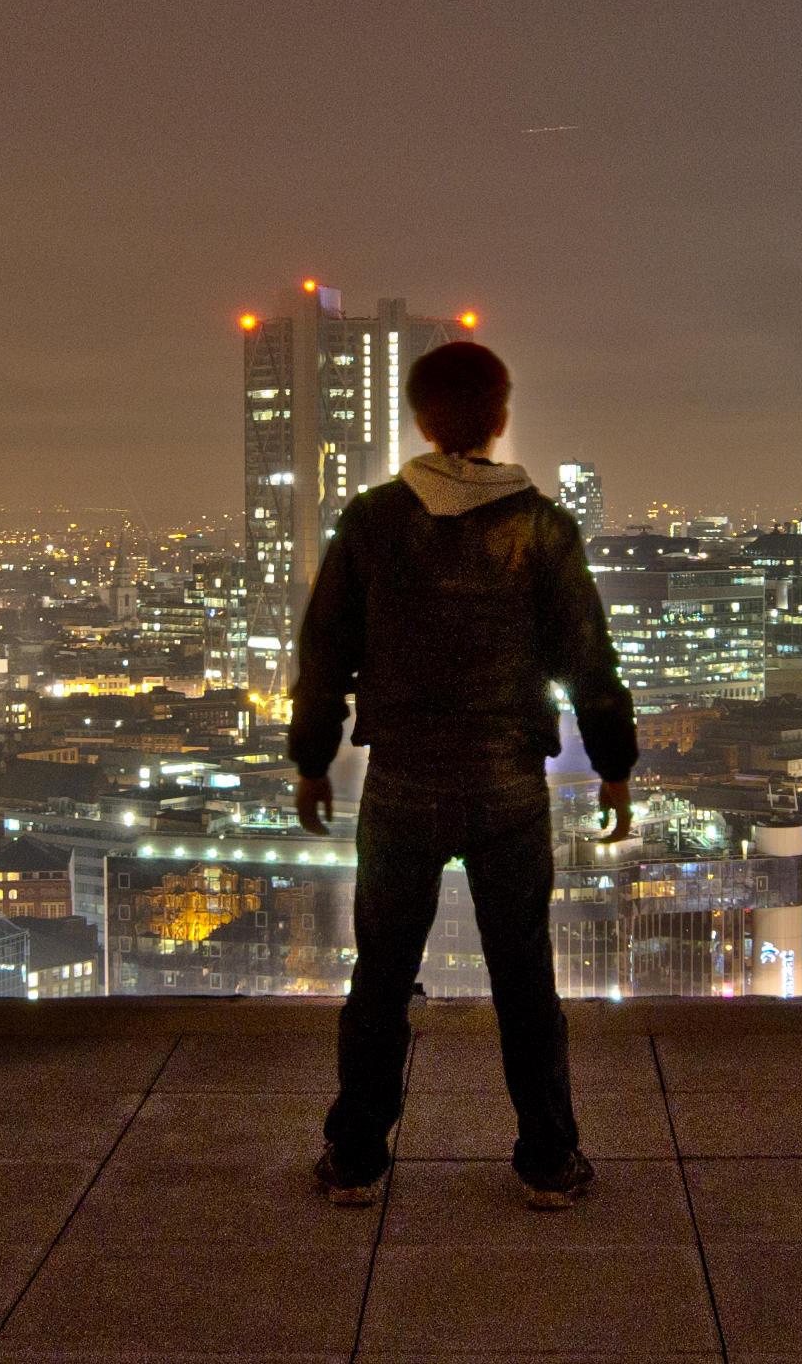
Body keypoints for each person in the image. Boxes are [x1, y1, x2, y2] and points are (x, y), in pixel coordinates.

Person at [289, 337, 635, 1210]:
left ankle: (357, 1157)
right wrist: (614, 767)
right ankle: (549, 1162)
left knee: (379, 977)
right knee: (524, 978)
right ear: (500, 416)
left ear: (420, 418)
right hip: (507, 784)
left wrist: (311, 759)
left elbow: (325, 652)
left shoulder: (373, 521)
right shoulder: (543, 528)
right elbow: (588, 660)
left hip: (402, 781)